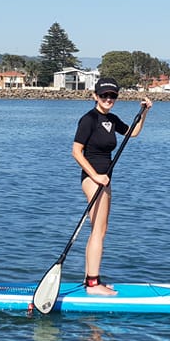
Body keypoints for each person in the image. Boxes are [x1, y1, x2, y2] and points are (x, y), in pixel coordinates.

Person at [71, 75, 151, 296]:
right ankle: (93, 285)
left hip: (105, 179)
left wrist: (144, 112)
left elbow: (132, 132)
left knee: (100, 229)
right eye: (104, 95)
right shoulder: (88, 120)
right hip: (92, 179)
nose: (108, 99)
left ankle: (90, 278)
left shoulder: (112, 119)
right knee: (98, 229)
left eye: (112, 95)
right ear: (95, 96)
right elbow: (76, 152)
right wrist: (96, 176)